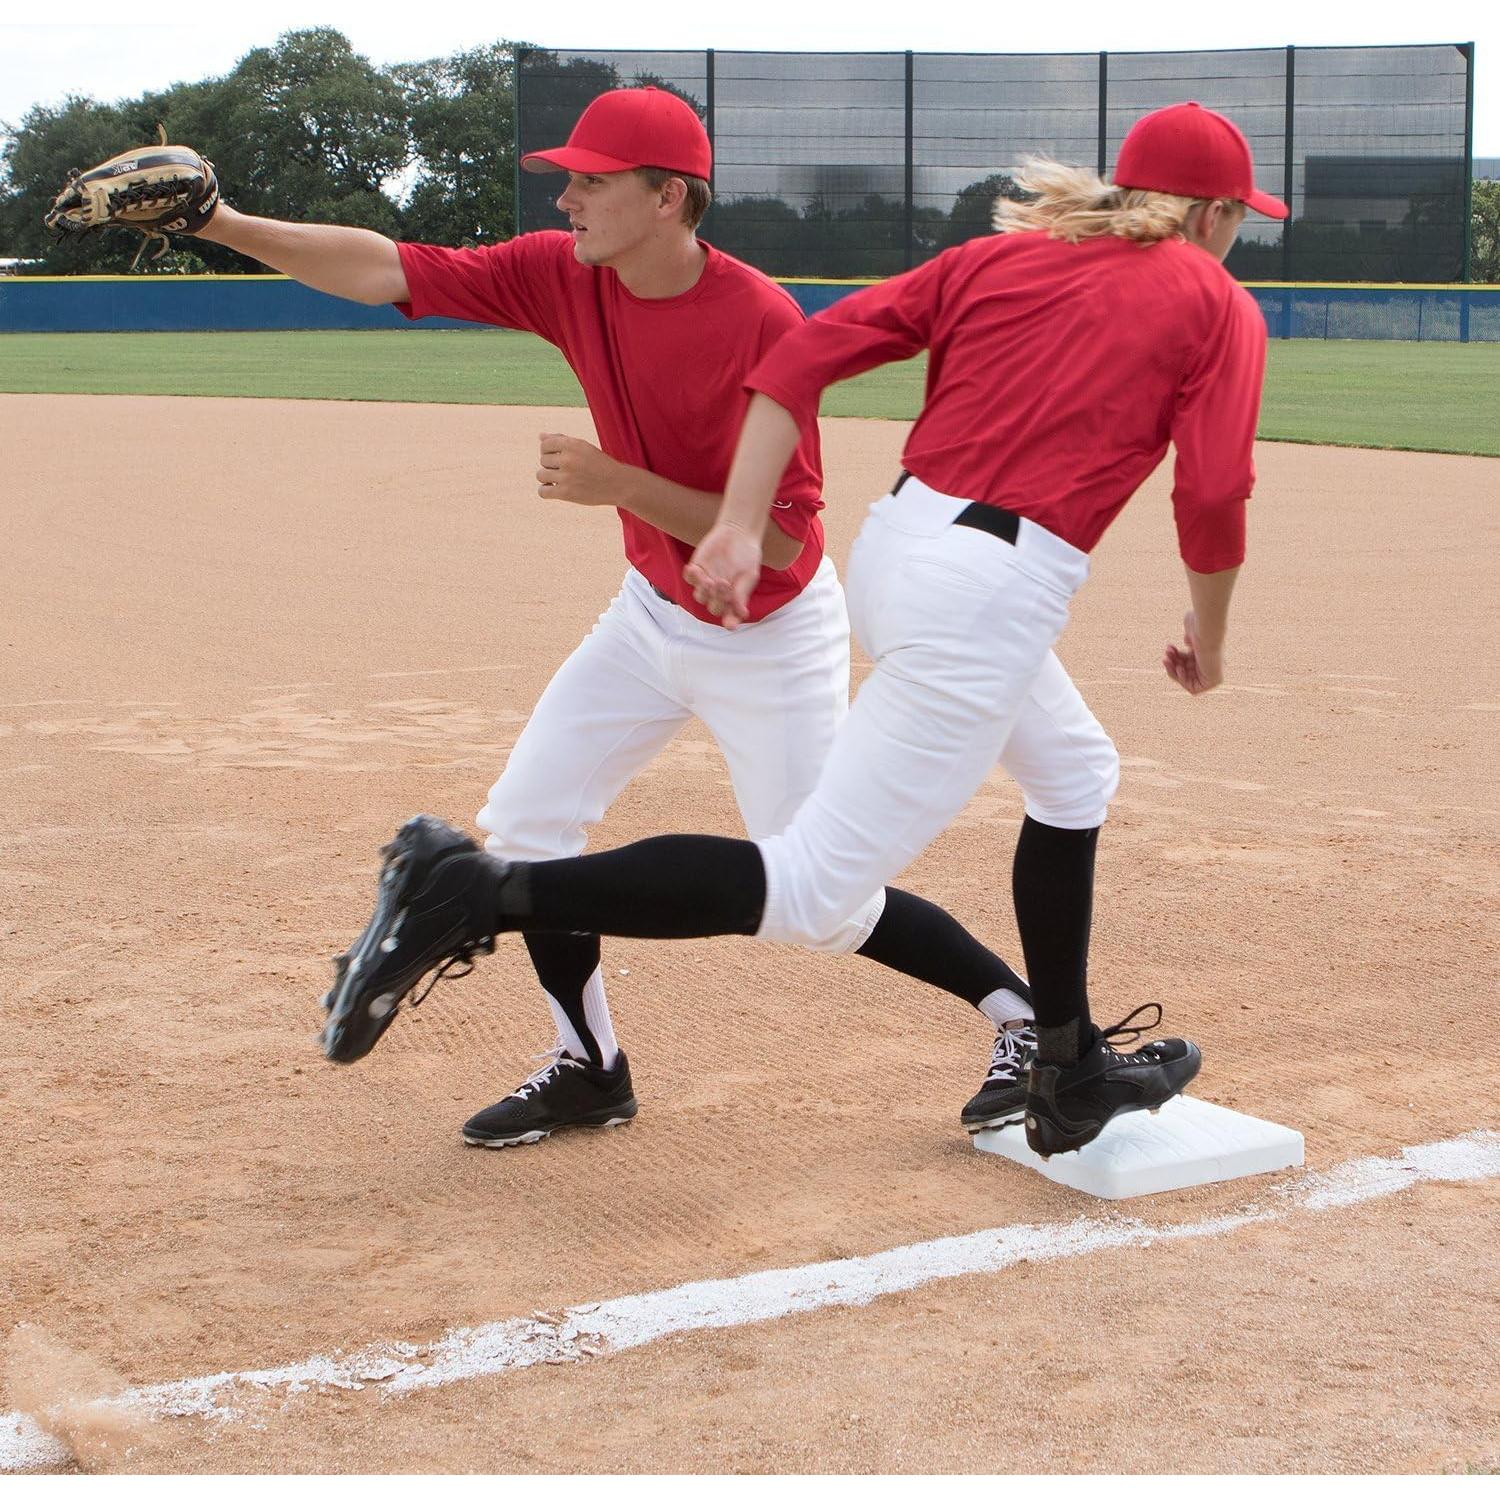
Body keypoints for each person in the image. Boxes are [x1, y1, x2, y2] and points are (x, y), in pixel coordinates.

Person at [319, 99, 1281, 1159]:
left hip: (897, 550)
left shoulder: (1005, 260)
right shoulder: (1216, 299)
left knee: (1075, 773)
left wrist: (734, 525)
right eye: (1242, 220)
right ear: (1216, 214)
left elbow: (801, 359)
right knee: (818, 884)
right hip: (994, 592)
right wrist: (1213, 632)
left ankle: (1063, 1057)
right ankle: (481, 892)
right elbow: (1215, 497)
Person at [191, 85, 1039, 1143]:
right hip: (648, 618)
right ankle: (588, 1064)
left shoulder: (761, 322)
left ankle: (1024, 1019)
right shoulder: (564, 274)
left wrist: (620, 483)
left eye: (593, 181)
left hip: (767, 635)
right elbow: (387, 268)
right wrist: (218, 224)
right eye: (568, 179)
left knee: (822, 900)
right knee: (531, 826)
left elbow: (781, 542)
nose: (568, 199)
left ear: (669, 197)